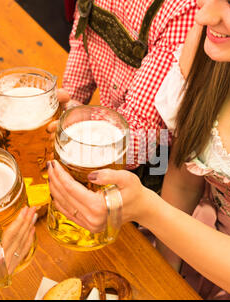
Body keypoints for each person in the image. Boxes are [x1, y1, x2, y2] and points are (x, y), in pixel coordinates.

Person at [47, 0, 230, 300]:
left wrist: (149, 210)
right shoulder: (209, 44)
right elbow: (184, 178)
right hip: (202, 255)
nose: (203, 15)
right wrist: (163, 279)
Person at [62, 0, 198, 192]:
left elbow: (145, 133)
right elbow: (82, 43)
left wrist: (73, 133)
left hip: (154, 171)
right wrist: (67, 104)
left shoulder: (184, 8)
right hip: (101, 140)